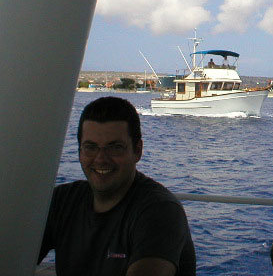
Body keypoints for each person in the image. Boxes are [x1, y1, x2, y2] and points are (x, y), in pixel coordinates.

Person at [38, 96, 196, 276]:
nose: (101, 159)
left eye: (115, 147)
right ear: (79, 151)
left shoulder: (160, 211)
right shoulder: (62, 201)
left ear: (137, 151)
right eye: (91, 147)